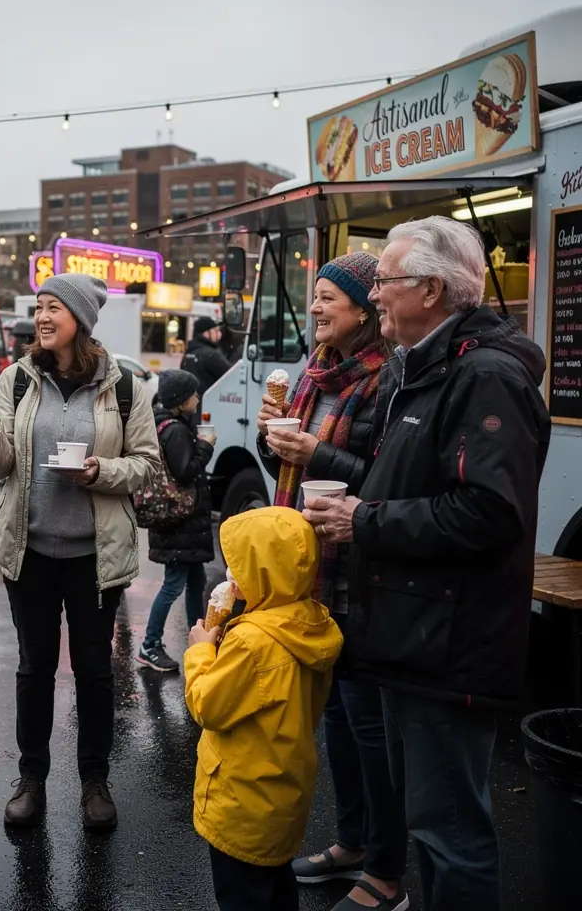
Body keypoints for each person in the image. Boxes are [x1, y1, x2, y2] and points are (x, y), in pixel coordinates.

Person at [303, 216, 551, 911]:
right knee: (431, 825)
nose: (376, 292)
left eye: (386, 280)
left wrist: (364, 520)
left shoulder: (485, 376)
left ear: (433, 290)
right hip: (417, 635)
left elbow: (488, 514)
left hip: (449, 646)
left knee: (450, 836)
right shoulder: (432, 367)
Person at [0, 272, 159, 831]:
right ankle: (31, 779)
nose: (42, 317)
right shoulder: (16, 380)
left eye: (53, 308)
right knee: (35, 669)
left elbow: (147, 463)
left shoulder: (122, 387)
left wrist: (100, 471)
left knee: (93, 672)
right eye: (39, 308)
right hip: (32, 553)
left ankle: (94, 781)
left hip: (96, 559)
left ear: (81, 321)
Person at [258, 253, 408, 911]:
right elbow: (283, 466)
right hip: (311, 567)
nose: (315, 308)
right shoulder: (313, 376)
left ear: (362, 310)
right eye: (314, 297)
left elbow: (382, 479)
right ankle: (350, 840)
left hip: (360, 571)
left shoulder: (382, 380)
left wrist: (313, 453)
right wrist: (275, 439)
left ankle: (387, 868)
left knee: (368, 724)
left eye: (327, 298)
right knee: (338, 721)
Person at [185, 506, 343, 911]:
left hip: (242, 803)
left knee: (242, 895)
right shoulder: (312, 624)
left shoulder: (252, 643)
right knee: (276, 886)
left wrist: (200, 652)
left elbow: (207, 705)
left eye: (242, 568)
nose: (232, 579)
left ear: (266, 575)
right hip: (283, 797)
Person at [136, 369, 216, 673]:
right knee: (173, 585)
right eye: (193, 394)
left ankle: (200, 642)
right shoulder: (176, 430)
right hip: (180, 522)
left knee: (196, 582)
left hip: (181, 523)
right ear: (181, 400)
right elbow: (185, 471)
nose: (197, 398)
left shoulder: (165, 425)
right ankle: (149, 645)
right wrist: (206, 445)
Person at [180, 316, 232, 397]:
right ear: (205, 333)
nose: (219, 334)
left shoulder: (188, 353)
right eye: (215, 331)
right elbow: (231, 376)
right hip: (210, 404)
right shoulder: (211, 355)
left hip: (192, 405)